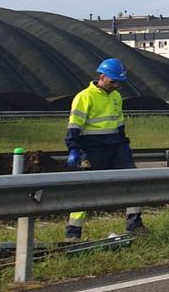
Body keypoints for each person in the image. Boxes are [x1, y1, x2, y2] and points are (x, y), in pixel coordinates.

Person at [64, 58, 149, 241]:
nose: (116, 85)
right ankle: (73, 233)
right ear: (102, 77)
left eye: (118, 82)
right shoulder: (84, 97)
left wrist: (124, 146)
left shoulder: (116, 96)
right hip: (92, 149)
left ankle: (134, 223)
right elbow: (74, 125)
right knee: (86, 191)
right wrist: (74, 148)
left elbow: (119, 125)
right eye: (113, 81)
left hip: (116, 147)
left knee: (133, 181)